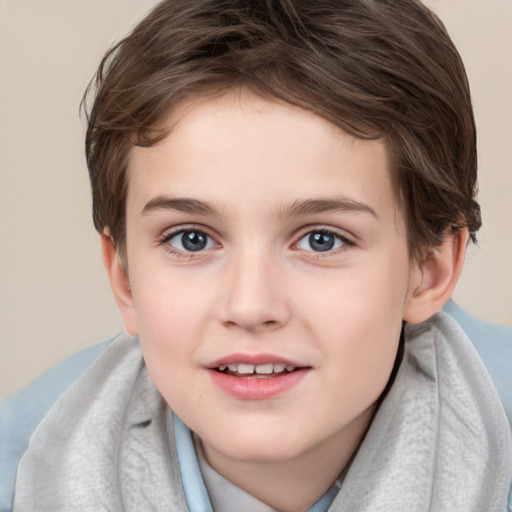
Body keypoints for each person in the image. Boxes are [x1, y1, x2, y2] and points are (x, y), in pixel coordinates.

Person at [1, 0, 511, 510]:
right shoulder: (25, 476)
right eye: (191, 239)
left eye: (321, 240)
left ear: (429, 270)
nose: (250, 306)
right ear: (125, 278)